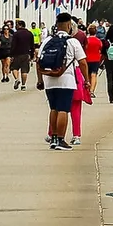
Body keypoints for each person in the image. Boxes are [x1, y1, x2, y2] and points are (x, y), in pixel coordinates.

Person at [36, 12, 87, 151]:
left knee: (53, 109)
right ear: (69, 25)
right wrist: (86, 80)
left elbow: (38, 61)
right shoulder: (72, 41)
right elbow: (82, 62)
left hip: (49, 80)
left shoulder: (47, 41)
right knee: (63, 109)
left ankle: (52, 138)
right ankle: (60, 139)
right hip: (66, 80)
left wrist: (40, 80)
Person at [8, 21, 36, 91]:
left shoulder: (16, 34)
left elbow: (13, 45)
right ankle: (23, 85)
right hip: (26, 54)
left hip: (17, 54)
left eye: (17, 25)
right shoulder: (29, 33)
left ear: (20, 25)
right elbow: (32, 46)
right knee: (24, 71)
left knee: (14, 68)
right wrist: (32, 55)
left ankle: (17, 79)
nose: (16, 26)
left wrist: (11, 55)